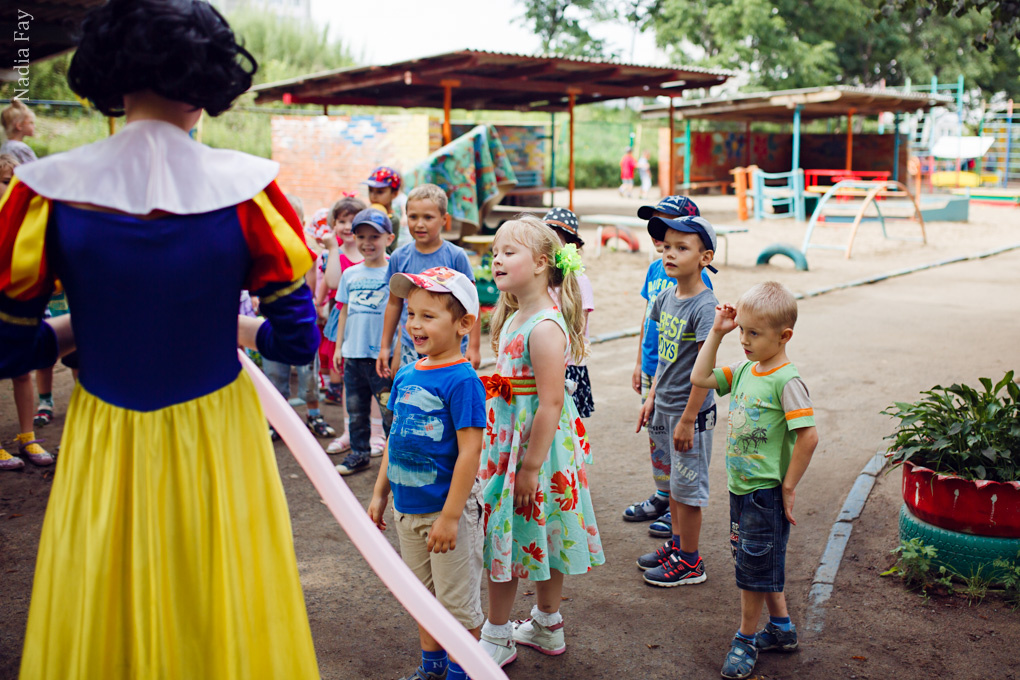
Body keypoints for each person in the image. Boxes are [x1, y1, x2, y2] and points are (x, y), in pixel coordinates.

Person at [0, 1, 319, 676]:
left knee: (103, 604)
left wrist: (75, 328)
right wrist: (213, 322)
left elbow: (8, 351)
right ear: (209, 84)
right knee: (221, 602)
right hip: (218, 433)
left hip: (104, 434)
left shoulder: (41, 192)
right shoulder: (250, 191)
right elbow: (294, 340)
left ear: (109, 79)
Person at [477, 216, 604, 668]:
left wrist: (530, 467)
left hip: (536, 453)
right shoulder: (515, 316)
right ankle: (546, 627)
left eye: (509, 251)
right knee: (535, 535)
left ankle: (496, 635)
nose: (497, 259)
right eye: (495, 252)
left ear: (541, 263)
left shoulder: (544, 326)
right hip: (516, 446)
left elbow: (551, 403)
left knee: (507, 535)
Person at [690, 282, 819, 680]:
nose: (743, 340)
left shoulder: (787, 380)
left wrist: (789, 485)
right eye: (741, 330)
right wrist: (717, 331)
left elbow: (809, 436)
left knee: (752, 568)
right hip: (741, 489)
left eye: (753, 333)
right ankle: (780, 629)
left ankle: (745, 638)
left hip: (765, 493)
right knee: (755, 562)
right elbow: (700, 376)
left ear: (784, 337)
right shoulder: (746, 369)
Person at [368, 266, 486, 680]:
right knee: (422, 599)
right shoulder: (406, 374)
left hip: (445, 514)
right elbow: (396, 438)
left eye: (428, 316)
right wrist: (380, 494)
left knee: (457, 606)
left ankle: (462, 672)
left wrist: (452, 517)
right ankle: (432, 669)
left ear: (463, 324)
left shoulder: (463, 380)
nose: (415, 324)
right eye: (411, 314)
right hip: (406, 510)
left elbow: (471, 451)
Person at [634, 213, 719, 588]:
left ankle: (690, 561)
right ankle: (678, 544)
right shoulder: (666, 296)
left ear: (705, 257)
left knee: (688, 490)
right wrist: (651, 397)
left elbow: (705, 368)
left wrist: (687, 418)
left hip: (691, 414)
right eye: (666, 247)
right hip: (664, 407)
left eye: (681, 248)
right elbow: (666, 358)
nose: (669, 254)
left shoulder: (704, 306)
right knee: (673, 485)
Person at [625, 196, 705, 539]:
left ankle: (677, 514)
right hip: (656, 366)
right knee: (657, 437)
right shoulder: (657, 268)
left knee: (679, 448)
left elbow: (704, 353)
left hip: (681, 379)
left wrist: (690, 414)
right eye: (658, 228)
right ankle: (663, 495)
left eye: (675, 235)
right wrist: (639, 360)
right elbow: (648, 316)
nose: (663, 243)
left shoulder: (696, 284)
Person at [377, 183, 480, 377]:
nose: (419, 224)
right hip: (411, 342)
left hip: (449, 345)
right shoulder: (399, 257)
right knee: (411, 391)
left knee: (444, 390)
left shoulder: (455, 256)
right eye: (413, 216)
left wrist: (474, 346)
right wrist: (385, 347)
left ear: (444, 219)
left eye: (428, 217)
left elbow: (472, 304)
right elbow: (393, 304)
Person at [261, 194, 336, 441]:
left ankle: (314, 415)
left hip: (302, 320)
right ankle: (277, 421)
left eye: (290, 217)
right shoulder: (266, 250)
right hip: (272, 320)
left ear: (301, 220)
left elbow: (311, 287)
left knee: (309, 375)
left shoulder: (305, 251)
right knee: (274, 372)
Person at [0, 153, 55, 471]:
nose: (12, 189)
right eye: (7, 182)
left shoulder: (23, 219)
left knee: (23, 371)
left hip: (22, 311)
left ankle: (27, 436)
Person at [332, 208, 396, 476]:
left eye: (374, 236)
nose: (367, 243)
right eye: (361, 236)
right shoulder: (350, 275)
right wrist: (338, 347)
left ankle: (396, 459)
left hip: (381, 358)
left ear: (389, 239)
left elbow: (400, 315)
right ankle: (359, 453)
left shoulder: (393, 272)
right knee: (356, 410)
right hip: (353, 355)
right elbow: (343, 311)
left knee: (388, 411)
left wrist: (394, 352)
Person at [541, 207, 595, 418]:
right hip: (542, 360)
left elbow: (578, 327)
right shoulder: (539, 277)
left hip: (568, 364)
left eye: (556, 239)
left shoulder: (579, 280)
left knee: (569, 427)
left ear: (572, 246)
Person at [362, 166, 409, 250]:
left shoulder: (393, 220)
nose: (373, 196)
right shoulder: (365, 213)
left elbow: (389, 250)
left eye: (380, 192)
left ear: (394, 194)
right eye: (371, 190)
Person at [1, 100, 38, 164]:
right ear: (19, 126)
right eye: (31, 123)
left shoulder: (5, 145)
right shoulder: (21, 148)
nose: (34, 126)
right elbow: (37, 170)